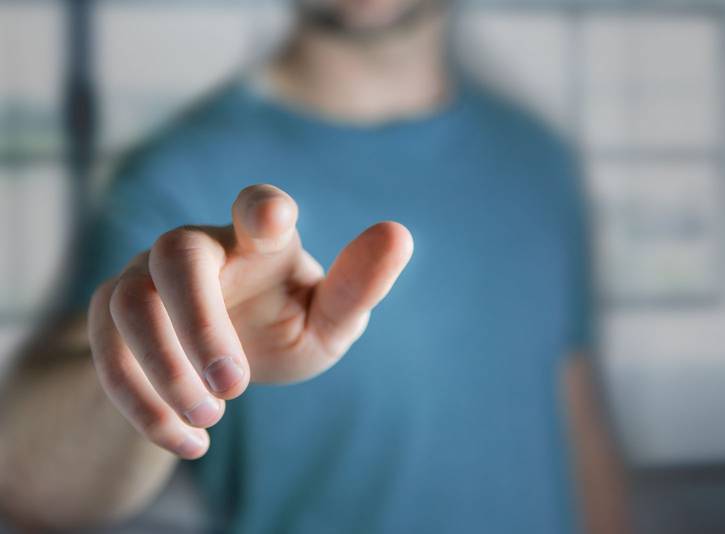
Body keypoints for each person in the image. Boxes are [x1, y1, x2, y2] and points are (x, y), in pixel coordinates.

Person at [0, 0, 632, 532]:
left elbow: (574, 413)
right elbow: (25, 484)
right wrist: (155, 363)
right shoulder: (172, 179)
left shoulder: (536, 161)